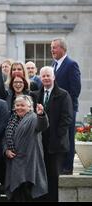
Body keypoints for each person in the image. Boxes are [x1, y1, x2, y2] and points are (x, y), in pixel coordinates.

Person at [31, 66, 73, 201]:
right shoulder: (36, 95)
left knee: (53, 177)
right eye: (43, 76)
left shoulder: (63, 94)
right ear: (40, 78)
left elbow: (67, 118)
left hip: (56, 144)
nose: (46, 78)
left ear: (54, 77)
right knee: (40, 176)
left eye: (48, 75)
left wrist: (58, 136)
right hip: (40, 143)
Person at [4, 95, 49, 201]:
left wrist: (41, 114)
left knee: (26, 193)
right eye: (17, 105)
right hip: (14, 162)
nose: (19, 107)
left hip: (28, 162)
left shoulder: (33, 117)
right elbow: (5, 138)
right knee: (16, 194)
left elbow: (42, 126)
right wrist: (6, 150)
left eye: (22, 105)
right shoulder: (12, 119)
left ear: (29, 107)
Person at [51, 38, 81, 175]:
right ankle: (59, 165)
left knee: (68, 136)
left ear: (63, 49)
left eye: (54, 47)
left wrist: (66, 104)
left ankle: (68, 167)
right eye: (52, 47)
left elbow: (76, 89)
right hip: (55, 109)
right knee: (58, 135)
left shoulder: (71, 64)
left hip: (68, 108)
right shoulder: (53, 65)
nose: (52, 50)